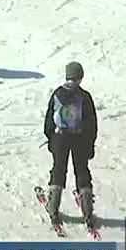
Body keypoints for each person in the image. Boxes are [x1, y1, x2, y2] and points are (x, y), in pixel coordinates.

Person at [41, 62, 98, 225]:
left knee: (59, 169)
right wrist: (90, 143)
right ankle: (87, 208)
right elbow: (91, 123)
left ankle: (53, 205)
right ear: (80, 77)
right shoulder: (85, 97)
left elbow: (49, 119)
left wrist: (50, 138)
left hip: (60, 137)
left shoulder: (57, 94)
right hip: (79, 138)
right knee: (81, 169)